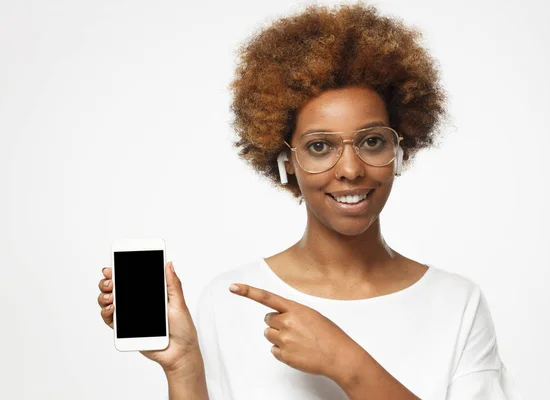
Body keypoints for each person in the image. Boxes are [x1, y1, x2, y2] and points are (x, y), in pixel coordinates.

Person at [98, 2, 520, 399]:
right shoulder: (230, 301)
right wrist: (184, 367)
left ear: (399, 150)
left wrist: (346, 362)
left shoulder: (457, 303)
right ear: (286, 161)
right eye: (320, 147)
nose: (351, 169)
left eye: (372, 141)